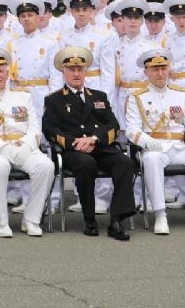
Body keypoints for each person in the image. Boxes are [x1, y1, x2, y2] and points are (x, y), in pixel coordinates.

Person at [122, 47, 185, 235]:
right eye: (155, 69)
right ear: (146, 72)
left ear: (168, 69)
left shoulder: (180, 94)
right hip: (155, 147)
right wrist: (147, 141)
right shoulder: (137, 97)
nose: (160, 73)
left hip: (179, 147)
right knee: (152, 160)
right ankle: (160, 215)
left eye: (163, 68)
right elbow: (132, 129)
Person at [42, 45, 135, 240]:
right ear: (63, 72)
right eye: (71, 70)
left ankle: (117, 220)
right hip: (74, 151)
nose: (76, 74)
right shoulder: (54, 100)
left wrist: (93, 139)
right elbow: (50, 130)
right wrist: (75, 143)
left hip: (100, 147)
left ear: (85, 71)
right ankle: (89, 218)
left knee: (125, 163)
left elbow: (113, 125)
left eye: (80, 69)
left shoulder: (99, 96)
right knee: (86, 164)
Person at [0, 46, 53, 237]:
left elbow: (34, 127)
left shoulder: (23, 95)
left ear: (7, 73)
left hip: (23, 146)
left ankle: (31, 219)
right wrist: (3, 148)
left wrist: (27, 146)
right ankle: (1, 223)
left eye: (0, 71)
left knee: (46, 165)